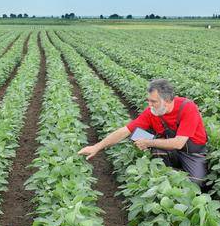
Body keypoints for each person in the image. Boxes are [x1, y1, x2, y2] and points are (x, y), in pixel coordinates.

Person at [78, 79, 208, 185]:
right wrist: (96, 147)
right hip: (170, 149)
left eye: (154, 101)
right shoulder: (152, 112)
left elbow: (179, 143)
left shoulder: (187, 108)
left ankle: (176, 175)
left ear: (167, 101)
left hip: (191, 152)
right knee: (136, 134)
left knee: (197, 182)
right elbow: (125, 130)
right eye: (149, 100)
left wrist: (148, 142)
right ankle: (164, 178)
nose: (149, 105)